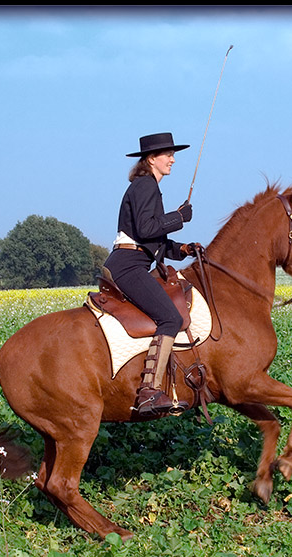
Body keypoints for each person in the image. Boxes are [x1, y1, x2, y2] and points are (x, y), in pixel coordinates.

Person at [103, 132, 198, 417]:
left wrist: (182, 249)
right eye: (167, 155)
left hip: (134, 258)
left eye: (173, 154)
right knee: (171, 317)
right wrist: (178, 217)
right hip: (127, 265)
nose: (172, 159)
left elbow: (151, 239)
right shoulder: (146, 186)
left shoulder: (148, 187)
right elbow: (146, 229)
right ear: (151, 159)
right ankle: (149, 391)